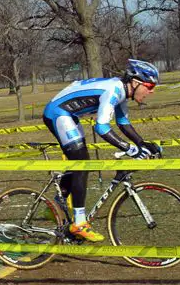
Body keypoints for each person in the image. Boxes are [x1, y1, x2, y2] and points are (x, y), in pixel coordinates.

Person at [42, 59, 162, 242]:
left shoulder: (121, 91)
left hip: (68, 115)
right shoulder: (114, 90)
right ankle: (79, 223)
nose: (152, 91)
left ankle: (57, 204)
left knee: (82, 163)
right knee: (83, 164)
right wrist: (129, 149)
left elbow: (123, 124)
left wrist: (142, 144)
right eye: (149, 86)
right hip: (58, 113)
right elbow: (102, 128)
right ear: (136, 82)